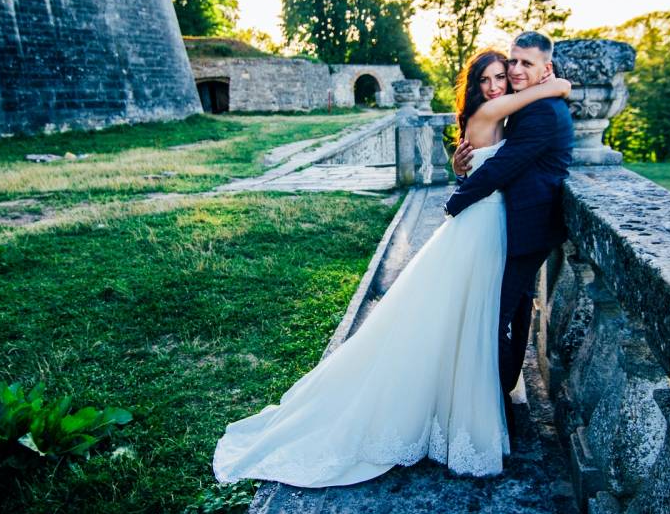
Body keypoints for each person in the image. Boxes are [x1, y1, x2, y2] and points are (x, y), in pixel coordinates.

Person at [212, 47, 571, 488]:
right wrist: (556, 84)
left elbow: (494, 158)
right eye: (487, 79)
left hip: (492, 225)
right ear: (477, 87)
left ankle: (459, 402)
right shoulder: (492, 111)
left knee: (469, 318)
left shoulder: (504, 117)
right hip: (478, 225)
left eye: (503, 76)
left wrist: (460, 168)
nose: (497, 85)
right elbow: (512, 125)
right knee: (473, 316)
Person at [445, 31, 574, 440]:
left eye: (524, 64)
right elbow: (489, 155)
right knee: (508, 313)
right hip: (510, 223)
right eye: (512, 62)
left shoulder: (540, 111)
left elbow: (503, 166)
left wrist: (456, 199)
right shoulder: (528, 102)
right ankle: (498, 401)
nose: (515, 71)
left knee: (498, 315)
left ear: (545, 68)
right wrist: (461, 171)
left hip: (526, 225)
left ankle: (495, 404)